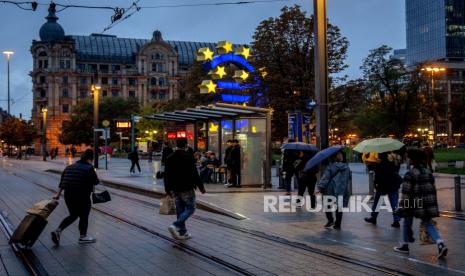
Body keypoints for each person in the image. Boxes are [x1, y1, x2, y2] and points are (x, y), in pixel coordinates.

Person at [394, 149, 448, 258]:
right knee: (428, 223)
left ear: (413, 160)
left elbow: (406, 193)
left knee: (406, 221)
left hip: (414, 202)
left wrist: (401, 208)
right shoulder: (428, 172)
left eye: (408, 158)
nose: (407, 160)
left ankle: (405, 245)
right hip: (427, 203)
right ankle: (440, 244)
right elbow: (432, 189)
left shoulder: (410, 174)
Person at [51, 149, 99, 245]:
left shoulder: (69, 167)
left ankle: (58, 230)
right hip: (82, 195)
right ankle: (83, 237)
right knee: (84, 216)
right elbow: (96, 182)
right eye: (92, 159)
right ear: (89, 159)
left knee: (73, 215)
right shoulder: (89, 168)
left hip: (68, 195)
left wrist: (58, 194)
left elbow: (62, 183)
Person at [165, 138, 206, 240]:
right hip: (187, 187)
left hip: (175, 188)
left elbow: (167, 175)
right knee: (191, 208)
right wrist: (201, 187)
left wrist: (167, 190)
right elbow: (194, 173)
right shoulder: (188, 157)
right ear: (186, 145)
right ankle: (175, 225)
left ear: (176, 144)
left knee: (180, 209)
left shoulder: (170, 157)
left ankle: (182, 232)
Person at [364, 152, 402, 227]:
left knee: (377, 202)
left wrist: (376, 184)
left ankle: (373, 217)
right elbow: (396, 170)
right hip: (393, 184)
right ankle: (396, 220)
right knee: (394, 203)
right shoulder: (392, 162)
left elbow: (377, 175)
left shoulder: (379, 164)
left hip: (382, 186)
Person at [315, 152, 351, 230]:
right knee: (339, 206)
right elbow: (349, 178)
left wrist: (320, 187)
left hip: (330, 189)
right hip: (342, 189)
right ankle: (338, 224)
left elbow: (325, 178)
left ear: (332, 158)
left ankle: (330, 220)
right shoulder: (347, 167)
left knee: (327, 205)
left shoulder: (330, 167)